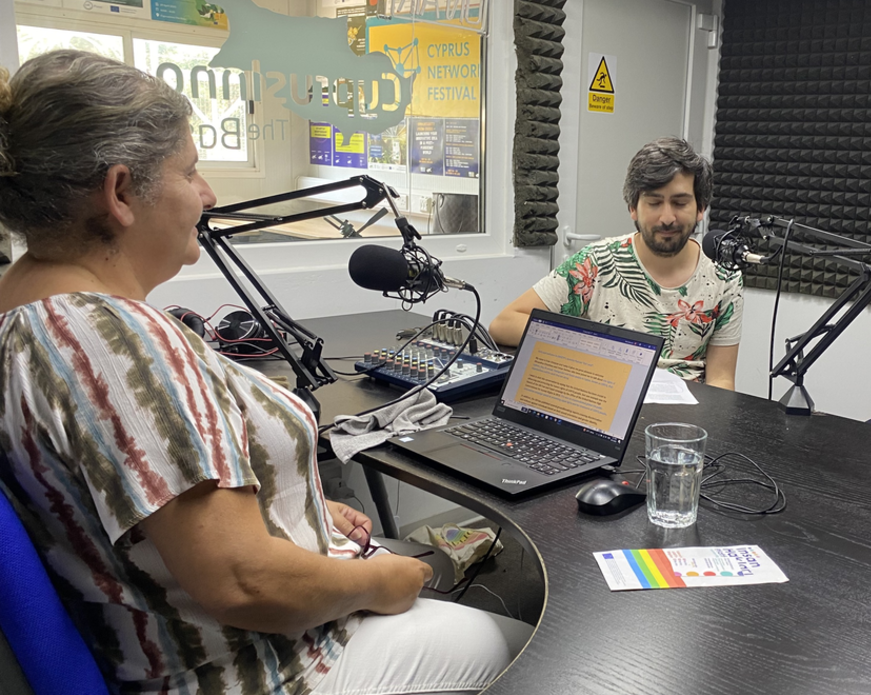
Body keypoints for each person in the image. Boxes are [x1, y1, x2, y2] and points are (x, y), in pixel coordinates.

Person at [0, 50, 531, 695]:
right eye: (190, 172)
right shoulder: (113, 340)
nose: (208, 195)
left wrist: (295, 506)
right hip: (270, 671)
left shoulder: (24, 310)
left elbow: (140, 507)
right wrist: (381, 583)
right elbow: (244, 583)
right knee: (529, 643)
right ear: (119, 194)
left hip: (199, 644)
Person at [489, 137, 743, 389]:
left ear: (701, 208)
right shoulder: (595, 263)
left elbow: (721, 378)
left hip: (684, 418)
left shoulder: (725, 277)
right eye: (654, 203)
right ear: (633, 207)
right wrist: (595, 346)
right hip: (604, 403)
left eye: (680, 203)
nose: (667, 217)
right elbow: (504, 324)